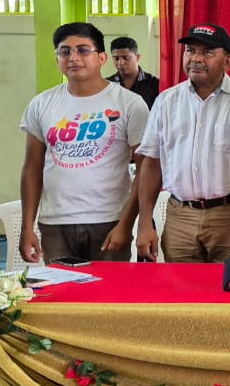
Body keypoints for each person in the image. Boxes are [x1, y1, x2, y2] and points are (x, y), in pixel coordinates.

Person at [19, 22, 149, 264]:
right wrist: (27, 226)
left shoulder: (129, 103)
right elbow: (32, 168)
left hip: (109, 220)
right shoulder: (41, 104)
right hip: (55, 222)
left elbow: (146, 169)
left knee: (108, 298)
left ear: (101, 58)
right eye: (64, 51)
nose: (73, 57)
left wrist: (127, 223)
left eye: (83, 50)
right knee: (61, 296)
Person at [135, 24, 230, 263]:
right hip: (179, 217)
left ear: (228, 61)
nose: (196, 58)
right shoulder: (166, 101)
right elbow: (152, 162)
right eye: (190, 50)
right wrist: (145, 222)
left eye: (207, 52)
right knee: (183, 295)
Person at [107, 36, 160, 108]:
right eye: (116, 58)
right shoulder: (107, 85)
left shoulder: (154, 84)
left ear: (137, 57)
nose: (120, 63)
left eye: (125, 58)